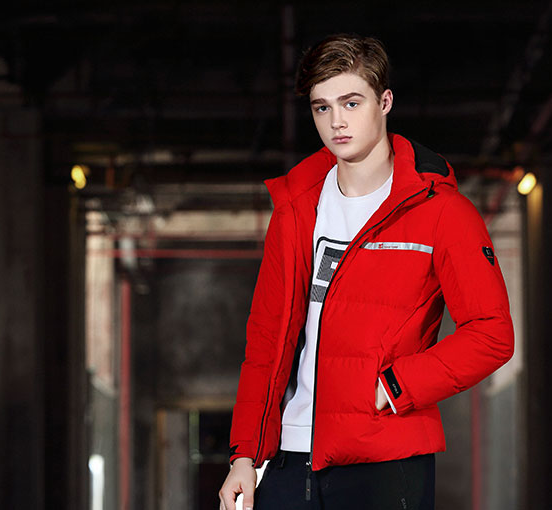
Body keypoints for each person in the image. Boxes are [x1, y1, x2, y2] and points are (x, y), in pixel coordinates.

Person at [218, 34, 514, 510]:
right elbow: (267, 340)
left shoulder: (442, 212)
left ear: (385, 102)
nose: (336, 121)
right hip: (291, 455)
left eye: (351, 103)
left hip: (385, 458)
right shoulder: (296, 209)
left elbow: (492, 333)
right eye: (322, 107)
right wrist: (244, 456)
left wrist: (394, 387)